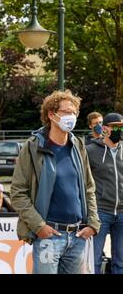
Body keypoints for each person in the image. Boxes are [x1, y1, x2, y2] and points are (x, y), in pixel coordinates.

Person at [11, 90, 100, 274]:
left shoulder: (78, 146)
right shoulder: (33, 147)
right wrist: (39, 227)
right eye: (67, 112)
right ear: (51, 115)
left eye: (74, 113)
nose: (72, 117)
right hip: (49, 236)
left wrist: (93, 223)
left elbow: (89, 188)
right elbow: (18, 193)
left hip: (77, 236)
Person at [86, 112, 123, 274]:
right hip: (100, 212)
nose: (119, 131)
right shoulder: (90, 151)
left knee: (121, 262)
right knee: (93, 261)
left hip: (122, 214)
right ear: (105, 129)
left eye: (122, 127)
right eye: (116, 127)